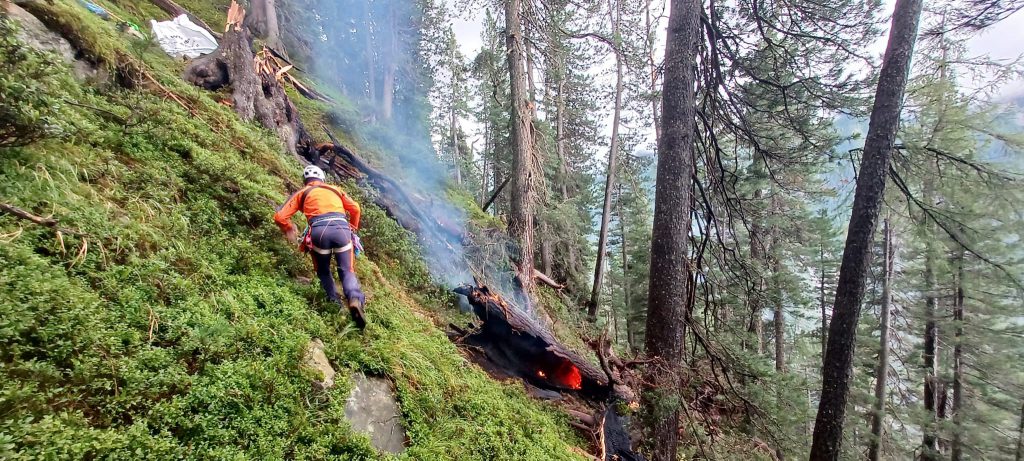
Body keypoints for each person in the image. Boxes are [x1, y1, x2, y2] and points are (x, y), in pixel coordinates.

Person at [274, 165, 366, 328]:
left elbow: (280, 216)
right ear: (322, 178)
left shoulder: (302, 193)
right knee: (347, 270)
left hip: (318, 232)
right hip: (341, 229)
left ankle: (334, 305)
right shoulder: (335, 189)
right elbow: (356, 208)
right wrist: (352, 227)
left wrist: (288, 228)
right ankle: (354, 299)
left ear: (305, 181)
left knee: (323, 271)